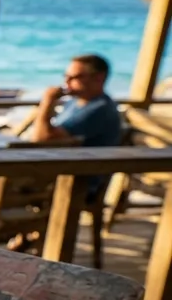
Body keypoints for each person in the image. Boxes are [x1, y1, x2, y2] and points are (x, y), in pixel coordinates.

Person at [33, 53, 123, 202]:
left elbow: (42, 139)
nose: (66, 81)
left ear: (98, 78)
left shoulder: (99, 110)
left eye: (75, 77)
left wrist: (47, 101)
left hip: (76, 182)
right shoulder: (75, 102)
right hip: (59, 172)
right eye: (65, 76)